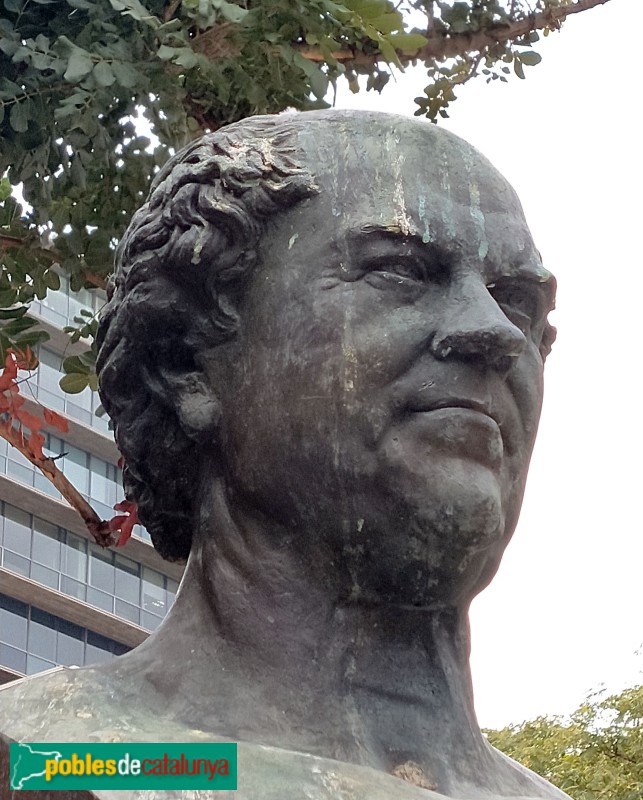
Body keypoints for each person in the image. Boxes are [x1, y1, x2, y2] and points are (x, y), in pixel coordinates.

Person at [0, 110, 564, 800]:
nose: (497, 332)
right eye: (399, 270)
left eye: (518, 302)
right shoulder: (62, 756)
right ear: (186, 363)